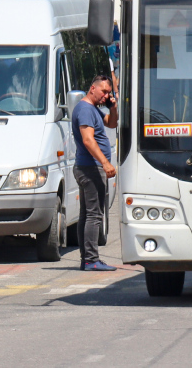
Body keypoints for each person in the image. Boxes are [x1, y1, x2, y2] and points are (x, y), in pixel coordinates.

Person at [73, 73, 119, 271]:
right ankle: (91, 259)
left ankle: (87, 259)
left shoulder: (92, 109)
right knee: (94, 215)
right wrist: (105, 163)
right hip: (91, 168)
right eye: (103, 91)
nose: (106, 96)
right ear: (93, 88)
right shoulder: (85, 109)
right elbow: (88, 140)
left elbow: (112, 123)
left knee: (86, 214)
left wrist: (113, 108)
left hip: (88, 167)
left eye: (109, 92)